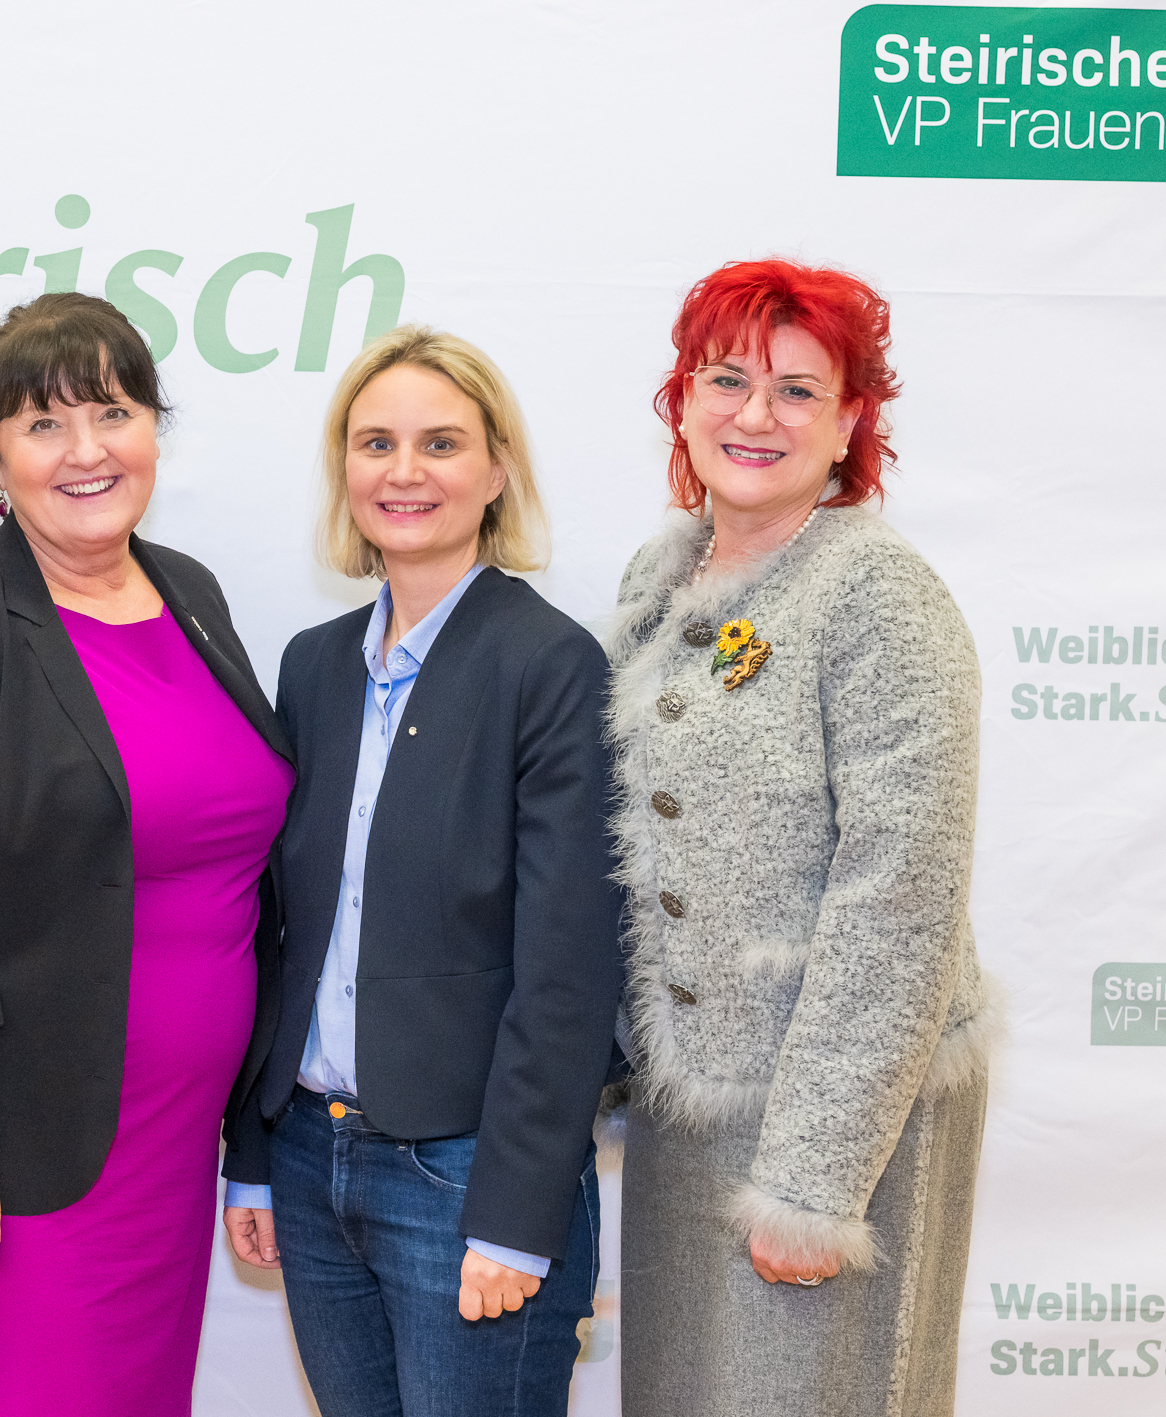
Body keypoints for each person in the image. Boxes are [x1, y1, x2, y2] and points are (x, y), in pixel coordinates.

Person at [0, 291, 294, 1416]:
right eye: (43, 424)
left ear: (153, 431)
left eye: (113, 412)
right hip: (23, 1160)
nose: (87, 450)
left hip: (175, 1152)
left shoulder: (189, 591)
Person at [605, 259, 998, 1417]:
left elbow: (900, 894)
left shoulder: (876, 592)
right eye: (726, 379)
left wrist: (814, 1181)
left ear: (848, 422)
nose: (755, 415)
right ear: (681, 400)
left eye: (796, 390)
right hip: (689, 1104)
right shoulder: (656, 573)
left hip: (832, 1110)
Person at [219, 327, 622, 1415]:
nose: (404, 472)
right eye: (376, 443)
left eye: (441, 443)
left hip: (466, 1178)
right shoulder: (312, 666)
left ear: (496, 472)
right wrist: (253, 1151)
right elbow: (280, 931)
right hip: (310, 1163)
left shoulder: (549, 665)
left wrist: (516, 1217)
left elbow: (569, 968)